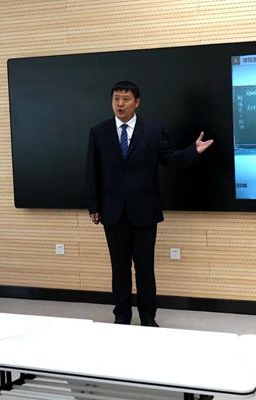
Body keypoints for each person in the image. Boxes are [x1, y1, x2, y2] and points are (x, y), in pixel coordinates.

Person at [85, 81, 213, 327]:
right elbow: (91, 171)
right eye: (116, 99)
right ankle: (121, 316)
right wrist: (94, 206)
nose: (120, 104)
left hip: (144, 211)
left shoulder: (153, 131)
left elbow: (170, 158)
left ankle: (147, 316)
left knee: (145, 267)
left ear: (137, 102)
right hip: (113, 212)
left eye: (125, 99)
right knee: (119, 268)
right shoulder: (98, 132)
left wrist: (193, 151)